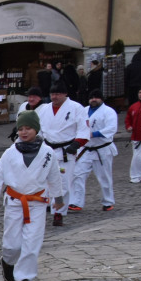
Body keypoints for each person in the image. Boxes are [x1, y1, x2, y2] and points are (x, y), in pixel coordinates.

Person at [0, 109, 63, 281]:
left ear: (36, 129)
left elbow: (54, 176)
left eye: (28, 128)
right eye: (21, 129)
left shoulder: (47, 153)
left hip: (36, 202)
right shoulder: (10, 153)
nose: (24, 132)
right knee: (12, 244)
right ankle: (8, 262)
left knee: (31, 242)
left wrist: (58, 198)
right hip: (14, 201)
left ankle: (23, 280)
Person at [38, 81, 88, 226]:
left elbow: (84, 128)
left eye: (58, 94)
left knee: (63, 183)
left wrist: (76, 144)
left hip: (66, 151)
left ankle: (58, 213)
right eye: (52, 94)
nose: (54, 97)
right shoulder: (45, 109)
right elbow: (39, 129)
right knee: (44, 182)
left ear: (65, 94)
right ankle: (42, 210)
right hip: (47, 150)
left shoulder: (76, 108)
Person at [68, 90, 118, 213]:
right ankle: (76, 202)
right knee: (77, 174)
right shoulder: (84, 110)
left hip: (102, 149)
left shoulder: (109, 112)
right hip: (86, 149)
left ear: (102, 99)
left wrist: (93, 134)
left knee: (104, 177)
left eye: (96, 97)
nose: (93, 100)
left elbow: (111, 128)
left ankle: (108, 202)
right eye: (91, 98)